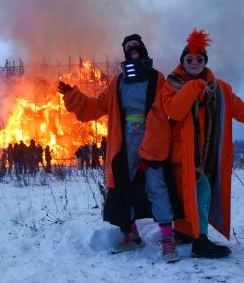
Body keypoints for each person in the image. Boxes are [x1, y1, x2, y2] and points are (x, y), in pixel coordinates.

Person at [59, 34, 179, 263]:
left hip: (152, 144)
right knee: (124, 188)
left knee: (157, 187)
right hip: (124, 146)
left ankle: (167, 239)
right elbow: (95, 107)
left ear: (142, 49)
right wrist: (73, 96)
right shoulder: (118, 82)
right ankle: (131, 234)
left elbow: (169, 108)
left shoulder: (157, 78)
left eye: (136, 45)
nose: (132, 48)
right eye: (128, 46)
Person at [162, 29, 244, 258]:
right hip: (181, 155)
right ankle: (199, 241)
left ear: (204, 62)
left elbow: (237, 107)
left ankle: (189, 234)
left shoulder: (219, 88)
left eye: (199, 59)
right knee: (191, 194)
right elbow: (174, 110)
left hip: (207, 153)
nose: (194, 63)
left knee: (199, 194)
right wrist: (194, 88)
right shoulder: (171, 84)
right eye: (189, 59)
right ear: (182, 61)